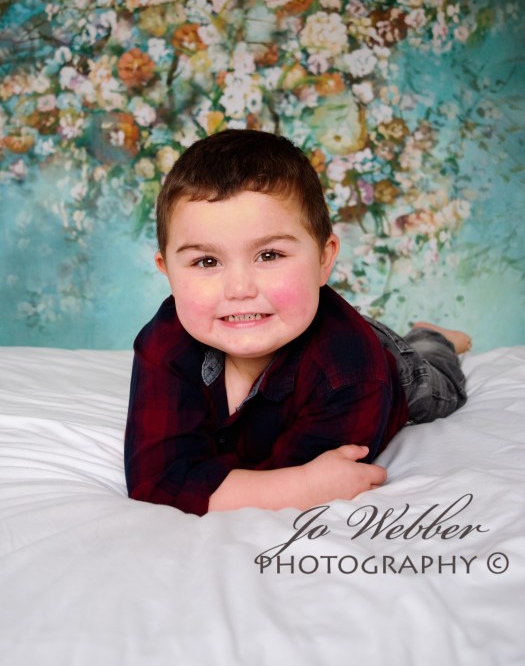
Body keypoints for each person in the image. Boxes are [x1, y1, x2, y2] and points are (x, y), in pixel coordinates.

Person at [124, 129, 469, 516]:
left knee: (438, 384)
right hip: (312, 317)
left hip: (388, 362)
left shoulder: (350, 374)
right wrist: (297, 485)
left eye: (269, 255)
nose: (239, 289)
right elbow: (156, 482)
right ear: (167, 271)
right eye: (207, 261)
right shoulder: (166, 340)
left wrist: (302, 484)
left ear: (324, 259)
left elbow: (280, 479)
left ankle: (433, 337)